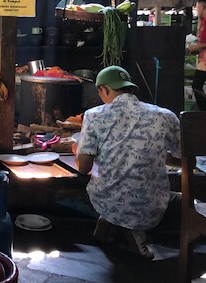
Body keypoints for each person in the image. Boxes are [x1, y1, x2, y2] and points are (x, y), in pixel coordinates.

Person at [74, 65, 181, 259]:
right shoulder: (166, 115)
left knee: (108, 182)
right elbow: (181, 156)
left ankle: (130, 233)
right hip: (154, 201)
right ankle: (109, 227)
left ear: (103, 90)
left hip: (107, 196)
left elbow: (83, 168)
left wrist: (77, 151)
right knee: (130, 179)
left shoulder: (94, 115)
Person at [187, 0, 206, 111]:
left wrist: (194, 48)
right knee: (197, 86)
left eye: (197, 6)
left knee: (196, 86)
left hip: (204, 64)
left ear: (203, 7)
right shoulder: (203, 22)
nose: (196, 9)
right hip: (202, 62)